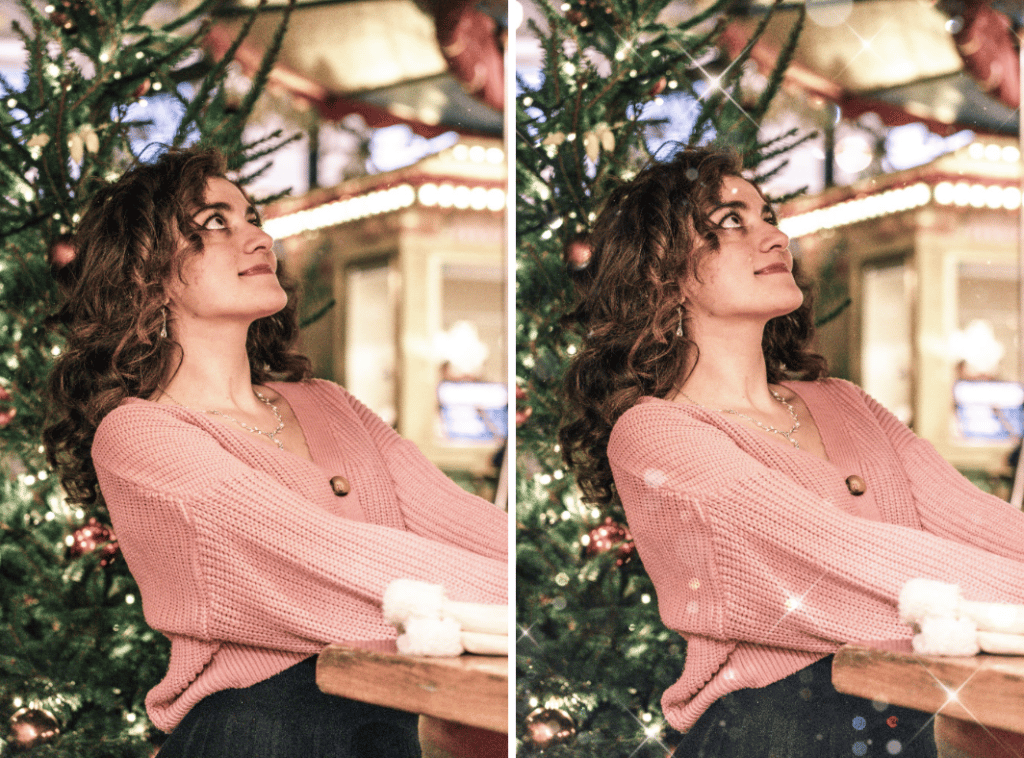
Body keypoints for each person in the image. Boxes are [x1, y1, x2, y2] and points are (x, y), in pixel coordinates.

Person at [558, 146, 1024, 757]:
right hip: (776, 735)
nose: (774, 236)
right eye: (730, 221)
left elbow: (989, 530)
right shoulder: (654, 434)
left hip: (914, 722)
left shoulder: (847, 405)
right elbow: (845, 567)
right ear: (660, 271)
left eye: (769, 214)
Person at [43, 147, 508, 757]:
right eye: (215, 222)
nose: (258, 237)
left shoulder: (332, 406)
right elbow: (332, 567)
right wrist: (511, 610)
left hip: (389, 729)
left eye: (253, 216)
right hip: (258, 735)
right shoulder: (139, 436)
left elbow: (477, 529)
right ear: (144, 272)